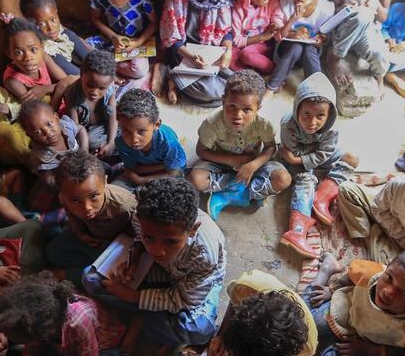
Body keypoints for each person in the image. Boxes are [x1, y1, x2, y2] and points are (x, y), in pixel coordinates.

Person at [83, 177, 224, 348]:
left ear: (192, 230)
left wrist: (132, 296)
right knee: (90, 279)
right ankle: (152, 316)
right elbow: (138, 237)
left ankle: (141, 315)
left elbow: (186, 299)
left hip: (191, 283)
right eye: (149, 237)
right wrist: (134, 260)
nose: (157, 251)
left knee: (198, 330)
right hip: (163, 270)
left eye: (170, 241)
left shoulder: (204, 255)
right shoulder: (141, 217)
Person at [188, 70, 291, 220]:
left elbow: (270, 147)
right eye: (232, 106)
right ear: (223, 101)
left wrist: (252, 165)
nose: (238, 115)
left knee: (283, 179)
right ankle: (242, 191)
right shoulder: (212, 123)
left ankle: (237, 193)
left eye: (247, 109)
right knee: (196, 179)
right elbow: (201, 151)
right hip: (221, 163)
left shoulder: (264, 124)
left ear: (258, 108)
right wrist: (231, 160)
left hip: (252, 164)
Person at [279, 72, 359, 257]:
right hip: (296, 163)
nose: (312, 122)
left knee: (352, 158)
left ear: (329, 114)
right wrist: (296, 161)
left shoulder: (333, 128)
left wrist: (297, 159)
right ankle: (297, 231)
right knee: (305, 182)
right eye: (306, 114)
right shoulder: (288, 124)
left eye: (320, 116)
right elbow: (293, 151)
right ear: (297, 109)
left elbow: (324, 153)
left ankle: (322, 196)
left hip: (301, 158)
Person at [204, 270, 317, 356]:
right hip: (260, 287)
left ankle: (320, 278)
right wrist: (221, 334)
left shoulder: (307, 346)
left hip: (306, 323)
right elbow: (233, 304)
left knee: (310, 302)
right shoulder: (245, 287)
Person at [160, 0, 234, 106]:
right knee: (209, 91)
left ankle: (175, 83)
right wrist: (192, 58)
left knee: (235, 82)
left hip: (211, 51)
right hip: (183, 54)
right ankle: (172, 78)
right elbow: (173, 40)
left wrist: (228, 51)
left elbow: (226, 32)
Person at [45, 151, 136, 285]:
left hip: (115, 246)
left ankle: (68, 274)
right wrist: (80, 233)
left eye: (94, 196)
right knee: (52, 253)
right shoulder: (65, 198)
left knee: (105, 278)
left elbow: (137, 236)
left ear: (105, 181)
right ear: (62, 193)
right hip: (90, 238)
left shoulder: (124, 205)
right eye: (75, 200)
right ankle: (91, 266)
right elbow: (72, 216)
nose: (87, 208)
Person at [89, 0, 157, 93]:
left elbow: (154, 23)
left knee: (140, 69)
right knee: (82, 47)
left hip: (135, 43)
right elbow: (95, 18)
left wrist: (138, 42)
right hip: (110, 40)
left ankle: (105, 67)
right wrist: (113, 37)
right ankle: (107, 67)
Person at [265, 0, 334, 97]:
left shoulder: (326, 9)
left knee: (308, 50)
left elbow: (326, 37)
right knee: (295, 46)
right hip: (286, 52)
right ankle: (271, 88)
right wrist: (291, 22)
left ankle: (317, 91)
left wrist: (320, 39)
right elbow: (277, 36)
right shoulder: (285, 2)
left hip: (310, 53)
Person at [113, 89, 186, 188]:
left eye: (141, 131)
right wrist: (163, 165)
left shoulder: (168, 143)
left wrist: (141, 180)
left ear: (156, 124)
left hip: (170, 173)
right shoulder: (121, 142)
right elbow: (135, 169)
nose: (134, 140)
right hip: (155, 168)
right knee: (115, 189)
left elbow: (173, 173)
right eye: (126, 130)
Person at [55, 49, 118, 159]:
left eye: (101, 88)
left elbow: (113, 118)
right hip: (89, 130)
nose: (94, 92)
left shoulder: (110, 89)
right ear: (81, 74)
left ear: (110, 82)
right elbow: (76, 129)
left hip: (106, 123)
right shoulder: (71, 94)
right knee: (92, 142)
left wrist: (111, 142)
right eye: (89, 85)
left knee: (130, 124)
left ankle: (112, 147)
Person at [0, 14, 75, 103]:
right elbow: (38, 109)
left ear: (42, 48)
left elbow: (67, 81)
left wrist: (45, 89)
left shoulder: (43, 57)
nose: (28, 58)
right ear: (9, 54)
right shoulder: (13, 80)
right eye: (18, 52)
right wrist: (60, 86)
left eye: (33, 50)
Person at [19, 0, 91, 76]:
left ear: (56, 12)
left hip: (72, 55)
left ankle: (96, 67)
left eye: (53, 20)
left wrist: (91, 51)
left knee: (70, 34)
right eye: (42, 24)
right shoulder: (43, 48)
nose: (51, 27)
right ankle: (89, 77)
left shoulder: (60, 30)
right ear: (31, 24)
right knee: (55, 57)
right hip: (67, 72)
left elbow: (80, 43)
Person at [19, 100, 89, 189]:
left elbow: (81, 129)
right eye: (38, 132)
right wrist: (66, 181)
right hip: (65, 176)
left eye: (49, 124)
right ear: (31, 136)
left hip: (80, 159)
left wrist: (85, 150)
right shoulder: (42, 157)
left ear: (56, 118)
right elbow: (49, 180)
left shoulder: (66, 126)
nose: (47, 132)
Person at [230, 0, 280, 73]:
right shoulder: (238, 9)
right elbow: (236, 40)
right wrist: (262, 36)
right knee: (228, 55)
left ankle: (274, 70)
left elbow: (277, 16)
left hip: (264, 46)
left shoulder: (272, 0)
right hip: (245, 45)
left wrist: (275, 24)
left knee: (247, 55)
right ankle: (252, 71)